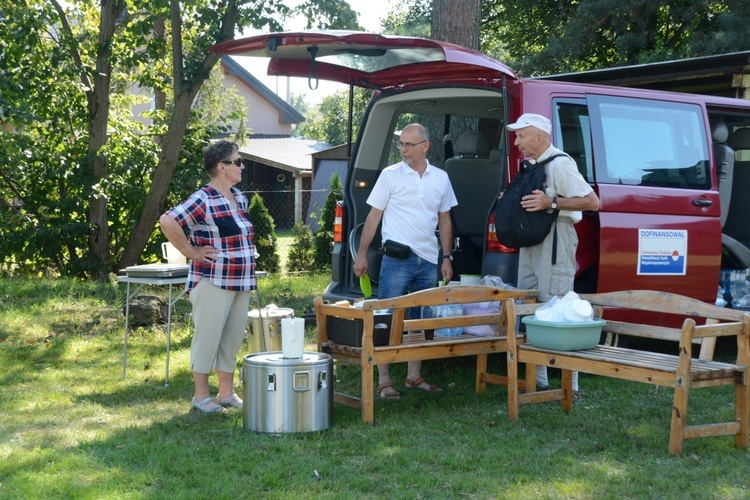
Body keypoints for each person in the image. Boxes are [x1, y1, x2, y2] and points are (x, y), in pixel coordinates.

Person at [353, 123, 458, 400]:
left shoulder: (441, 178)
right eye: (401, 144)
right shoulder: (390, 175)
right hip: (397, 258)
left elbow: (445, 219)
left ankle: (413, 377)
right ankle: (384, 381)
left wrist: (446, 257)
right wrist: (362, 254)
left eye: (409, 145)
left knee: (421, 320)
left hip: (429, 258)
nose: (403, 150)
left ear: (425, 146)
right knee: (386, 319)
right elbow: (374, 216)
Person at [506, 113, 600, 398]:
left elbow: (593, 202)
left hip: (557, 236)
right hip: (534, 238)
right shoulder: (535, 165)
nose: (517, 141)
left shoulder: (561, 163)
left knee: (558, 305)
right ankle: (541, 381)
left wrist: (552, 201)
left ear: (540, 136)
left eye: (522, 135)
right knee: (532, 304)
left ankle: (572, 386)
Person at [159, 140, 256, 414]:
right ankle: (201, 396)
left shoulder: (239, 197)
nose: (242, 166)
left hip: (241, 280)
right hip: (212, 279)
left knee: (232, 338)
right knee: (208, 338)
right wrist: (192, 251)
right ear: (221, 167)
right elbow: (168, 221)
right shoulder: (204, 198)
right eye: (237, 161)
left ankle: (226, 393)